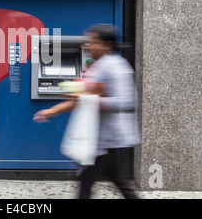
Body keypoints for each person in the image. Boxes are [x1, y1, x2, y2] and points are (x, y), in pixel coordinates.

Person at [33, 24, 141, 199]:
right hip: (102, 140)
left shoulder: (116, 67)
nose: (87, 46)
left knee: (86, 184)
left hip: (110, 141)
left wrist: (89, 98)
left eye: (92, 42)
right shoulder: (99, 66)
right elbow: (84, 95)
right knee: (113, 181)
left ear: (106, 45)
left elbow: (125, 102)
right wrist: (52, 111)